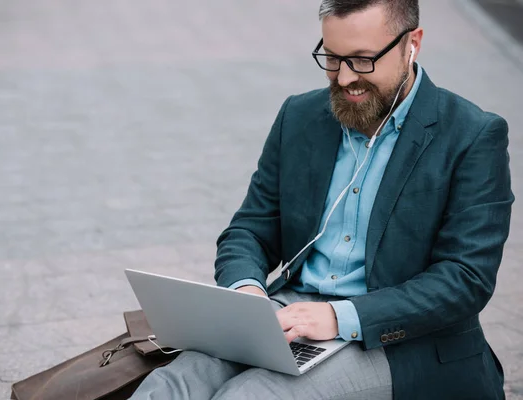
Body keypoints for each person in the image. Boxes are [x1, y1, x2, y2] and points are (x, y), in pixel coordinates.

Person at [131, 0, 514, 398]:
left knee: (251, 395)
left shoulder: (472, 135)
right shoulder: (300, 115)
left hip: (397, 341)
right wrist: (246, 293)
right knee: (168, 385)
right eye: (332, 58)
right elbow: (250, 228)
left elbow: (465, 279)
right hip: (288, 313)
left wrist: (338, 316)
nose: (345, 78)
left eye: (362, 60)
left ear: (412, 44)